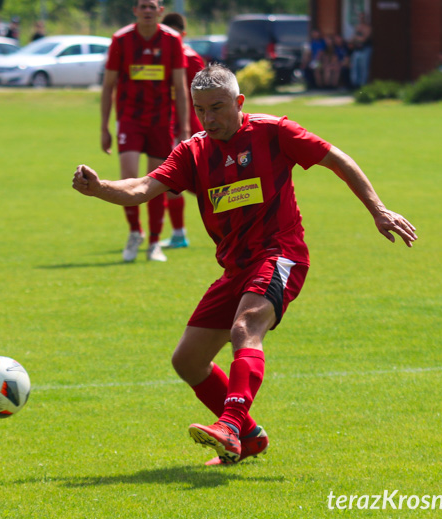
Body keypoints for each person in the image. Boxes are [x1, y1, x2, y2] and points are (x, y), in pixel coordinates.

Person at [73, 63, 416, 465]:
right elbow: (141, 188)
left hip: (280, 252)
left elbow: (336, 159)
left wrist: (377, 209)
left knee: (245, 327)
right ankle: (250, 436)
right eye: (201, 110)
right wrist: (100, 188)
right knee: (188, 360)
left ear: (239, 102)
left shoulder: (274, 132)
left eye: (217, 107)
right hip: (236, 267)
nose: (209, 118)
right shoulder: (193, 151)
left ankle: (231, 425)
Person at [100, 0, 189, 262]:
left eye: (152, 6)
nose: (148, 10)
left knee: (154, 183)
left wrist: (184, 128)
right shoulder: (121, 40)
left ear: (160, 10)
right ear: (135, 10)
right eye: (143, 6)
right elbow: (108, 85)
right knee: (128, 178)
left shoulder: (172, 40)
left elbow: (180, 86)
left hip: (161, 121)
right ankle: (134, 233)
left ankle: (154, 243)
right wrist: (104, 127)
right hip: (129, 119)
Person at [158, 12, 204, 249]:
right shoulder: (163, 59)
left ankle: (242, 214)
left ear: (183, 35)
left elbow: (202, 97)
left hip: (187, 129)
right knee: (174, 183)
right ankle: (178, 233)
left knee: (196, 184)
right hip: (167, 126)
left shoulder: (191, 58)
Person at [349, 13, 372, 88]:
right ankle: (355, 85)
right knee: (355, 68)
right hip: (357, 50)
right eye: (360, 17)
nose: (361, 19)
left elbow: (364, 39)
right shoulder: (357, 27)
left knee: (364, 68)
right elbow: (352, 39)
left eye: (362, 17)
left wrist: (357, 38)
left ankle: (363, 85)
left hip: (365, 50)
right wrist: (356, 38)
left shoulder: (368, 28)